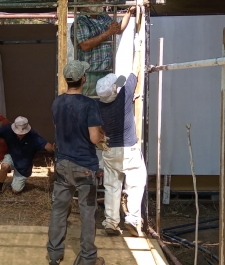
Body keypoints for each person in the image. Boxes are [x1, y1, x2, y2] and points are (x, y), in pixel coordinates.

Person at [47, 60, 105, 265]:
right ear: (83, 79)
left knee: (59, 210)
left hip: (62, 164)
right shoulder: (90, 105)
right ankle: (88, 259)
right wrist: (100, 133)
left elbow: (58, 127)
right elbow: (94, 139)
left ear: (66, 80)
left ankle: (54, 255)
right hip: (85, 168)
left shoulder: (57, 103)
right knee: (88, 212)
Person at [95, 34, 146, 237]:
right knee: (136, 182)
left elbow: (121, 82)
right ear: (116, 90)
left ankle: (110, 222)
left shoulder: (99, 105)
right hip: (129, 150)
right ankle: (133, 219)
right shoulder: (124, 95)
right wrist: (138, 46)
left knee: (111, 186)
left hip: (109, 151)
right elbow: (133, 72)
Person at [71, 1, 135, 96]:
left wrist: (129, 12)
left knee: (106, 105)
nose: (99, 2)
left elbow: (118, 29)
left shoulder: (103, 17)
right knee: (91, 104)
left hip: (107, 72)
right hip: (90, 74)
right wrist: (108, 33)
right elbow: (85, 45)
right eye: (95, 0)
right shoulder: (81, 20)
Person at [0, 116, 54, 196]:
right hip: (12, 156)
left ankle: (18, 180)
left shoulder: (33, 136)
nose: (20, 134)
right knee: (4, 166)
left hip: (24, 166)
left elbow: (48, 146)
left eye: (22, 133)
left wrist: (55, 148)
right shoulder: (8, 129)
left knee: (16, 191)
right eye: (18, 132)